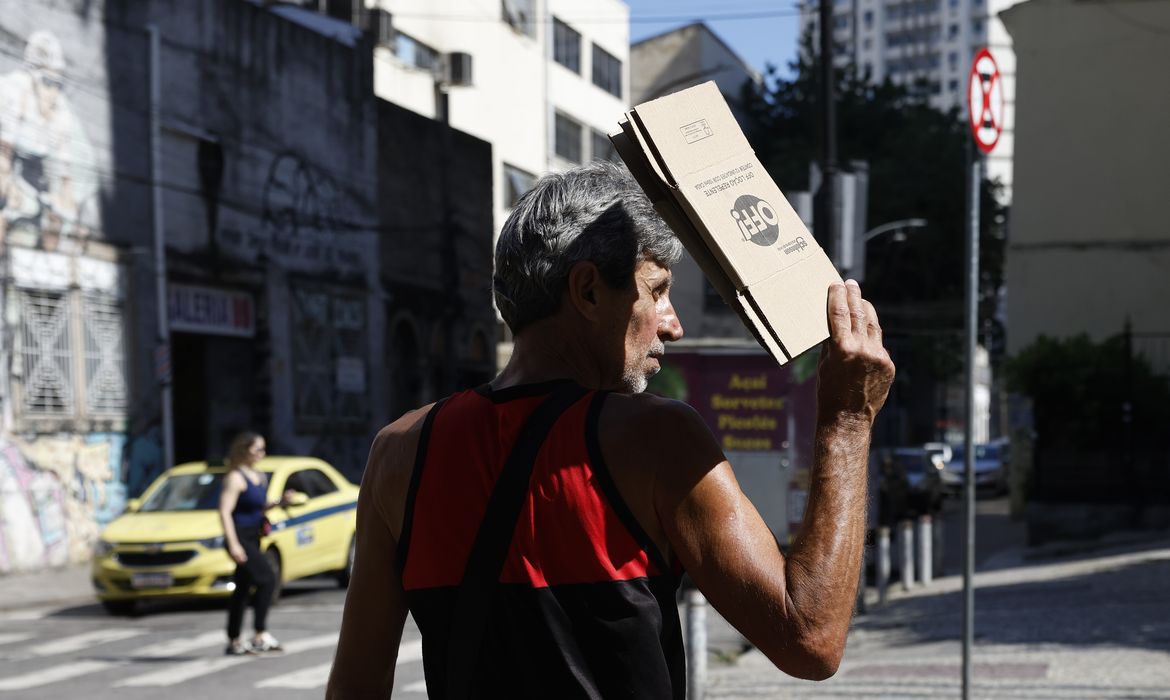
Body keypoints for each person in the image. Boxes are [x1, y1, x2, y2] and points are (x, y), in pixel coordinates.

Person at [326, 162, 895, 698]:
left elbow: (354, 689)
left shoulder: (399, 451)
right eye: (657, 291)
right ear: (589, 291)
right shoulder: (657, 442)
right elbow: (809, 638)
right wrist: (847, 421)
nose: (674, 325)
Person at [217, 431, 295, 656]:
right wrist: (233, 544)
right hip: (239, 537)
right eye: (258, 449)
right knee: (267, 578)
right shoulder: (235, 478)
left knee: (242, 589)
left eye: (263, 448)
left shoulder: (259, 476)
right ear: (245, 450)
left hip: (254, 536)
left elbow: (256, 508)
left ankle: (234, 641)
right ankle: (260, 634)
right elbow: (224, 511)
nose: (262, 453)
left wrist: (280, 503)